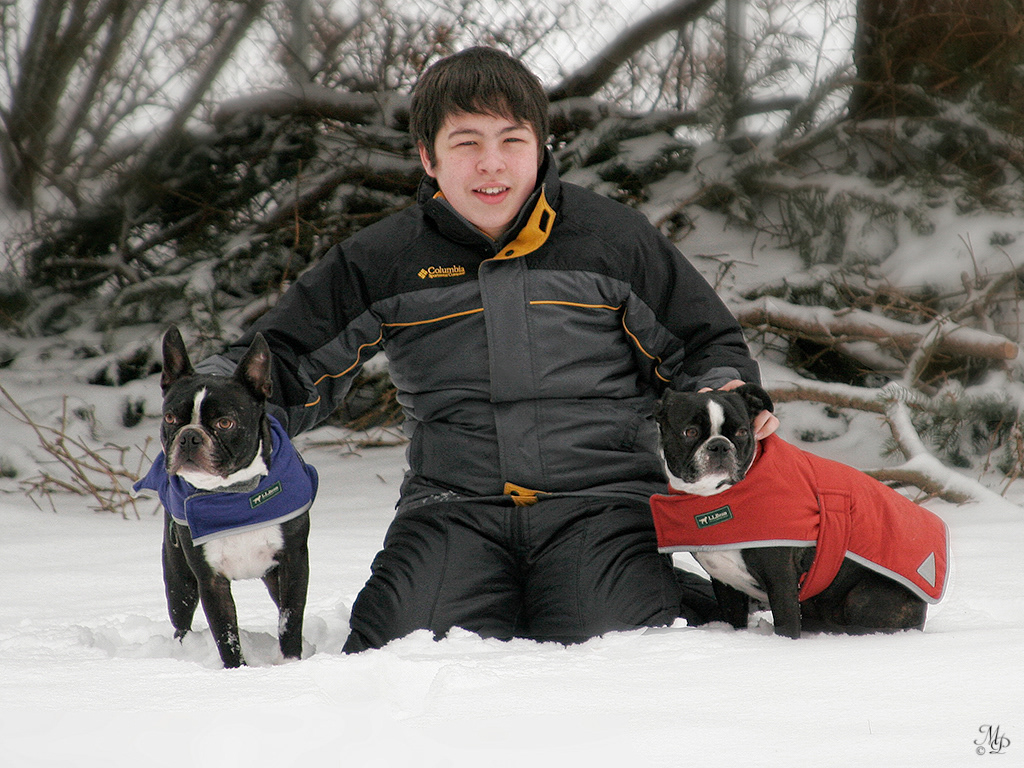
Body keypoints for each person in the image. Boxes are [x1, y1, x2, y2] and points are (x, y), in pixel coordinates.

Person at [198, 46, 778, 652]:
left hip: (600, 503)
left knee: (607, 644)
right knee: (401, 648)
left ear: (541, 146)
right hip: (452, 506)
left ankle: (654, 589)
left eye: (511, 141)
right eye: (467, 143)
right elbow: (286, 360)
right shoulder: (385, 257)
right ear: (429, 157)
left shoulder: (612, 240)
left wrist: (727, 389)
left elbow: (704, 344)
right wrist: (209, 406)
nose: (491, 165)